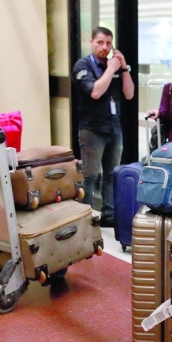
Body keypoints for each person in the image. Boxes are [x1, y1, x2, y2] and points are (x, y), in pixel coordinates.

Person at [72, 26, 136, 228]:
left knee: (111, 175)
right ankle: (86, 217)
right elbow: (95, 92)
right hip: (92, 129)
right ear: (91, 42)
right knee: (90, 176)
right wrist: (110, 69)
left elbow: (129, 94)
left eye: (108, 43)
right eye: (100, 42)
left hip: (113, 128)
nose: (104, 47)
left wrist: (123, 68)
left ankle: (109, 215)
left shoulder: (115, 67)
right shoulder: (83, 65)